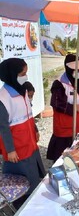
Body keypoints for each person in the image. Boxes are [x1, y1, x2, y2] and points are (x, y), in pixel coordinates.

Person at [0, 58, 46, 205]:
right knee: (20, 179)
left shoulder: (23, 91)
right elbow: (3, 127)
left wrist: (35, 129)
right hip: (17, 147)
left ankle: (33, 199)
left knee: (34, 173)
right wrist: (10, 150)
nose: (25, 77)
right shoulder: (3, 97)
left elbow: (29, 113)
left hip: (29, 140)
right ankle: (22, 207)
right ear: (12, 74)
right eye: (22, 73)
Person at [46, 54, 79, 162]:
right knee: (63, 158)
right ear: (69, 68)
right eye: (78, 69)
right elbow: (56, 103)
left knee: (78, 154)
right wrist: (74, 108)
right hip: (66, 128)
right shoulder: (59, 83)